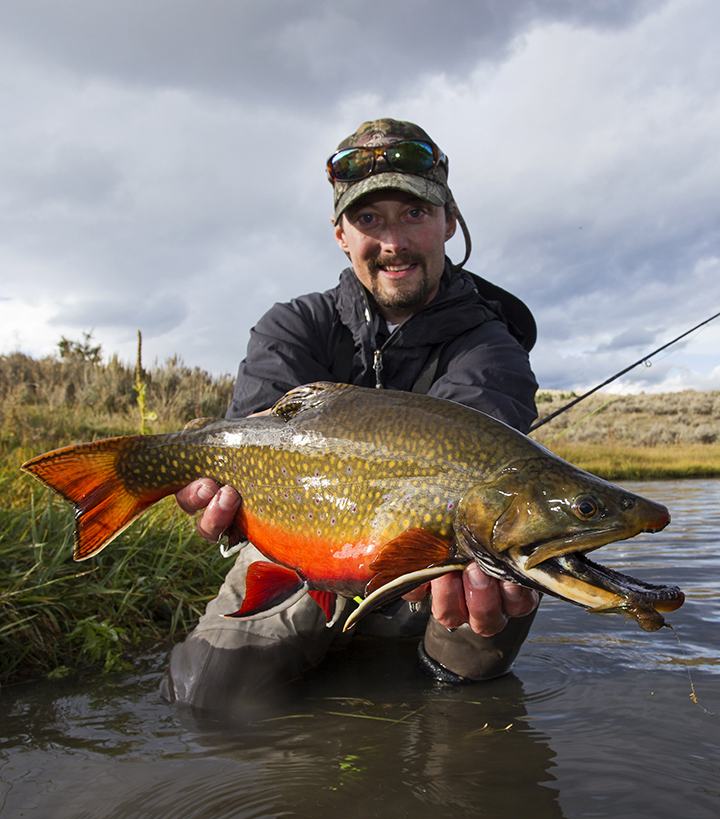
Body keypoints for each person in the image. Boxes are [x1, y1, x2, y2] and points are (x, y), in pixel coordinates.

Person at [160, 119, 540, 709]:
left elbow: (473, 473)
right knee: (207, 695)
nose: (393, 242)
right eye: (369, 220)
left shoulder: (493, 346)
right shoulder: (293, 327)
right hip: (298, 549)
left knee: (469, 690)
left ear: (449, 223)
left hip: (437, 565)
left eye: (414, 214)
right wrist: (216, 493)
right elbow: (249, 451)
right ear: (341, 234)